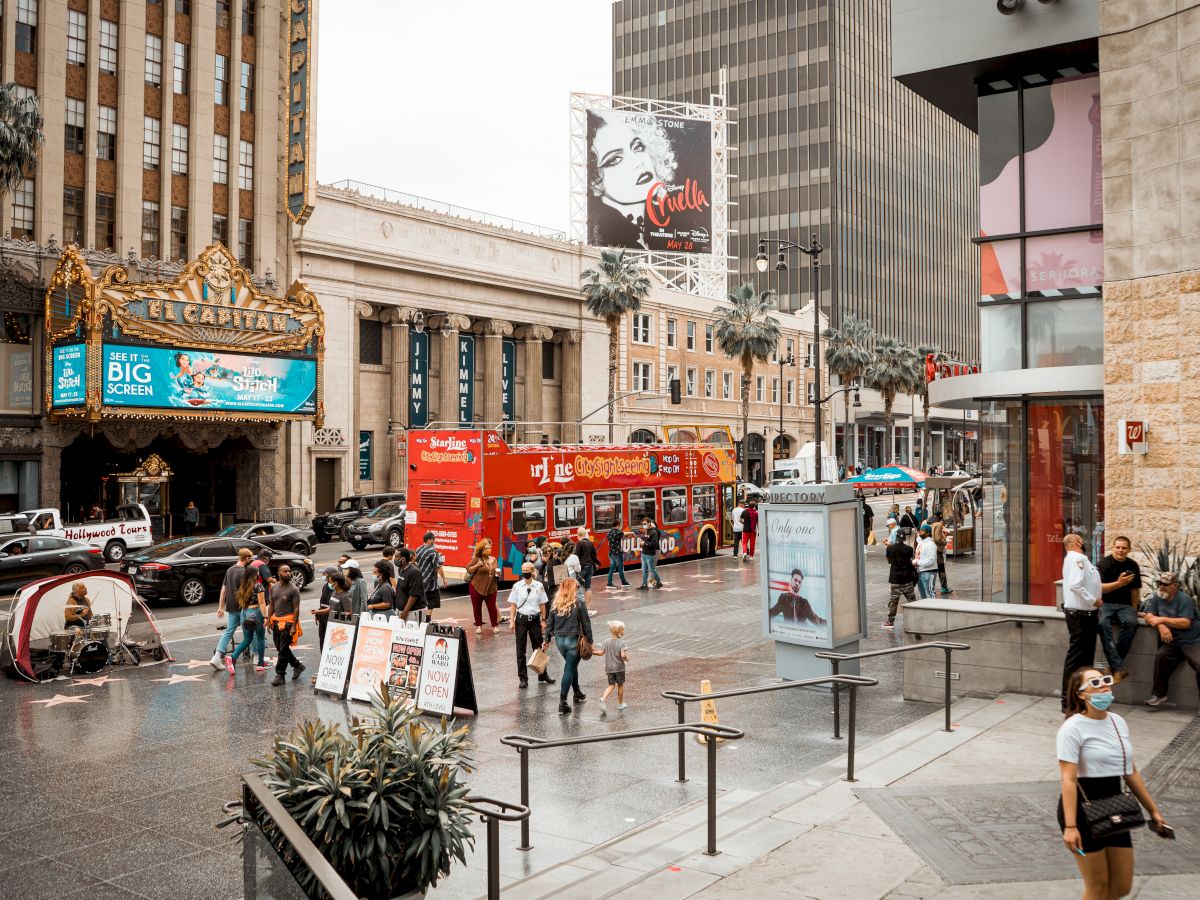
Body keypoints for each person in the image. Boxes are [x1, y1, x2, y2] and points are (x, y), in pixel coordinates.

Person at [1057, 667, 1170, 898]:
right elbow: (1068, 779)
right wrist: (1070, 827)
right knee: (1097, 886)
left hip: (1115, 806)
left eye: (1105, 680)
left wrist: (1153, 811)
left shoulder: (1118, 722)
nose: (1103, 686)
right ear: (1081, 694)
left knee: (1120, 886)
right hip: (1082, 809)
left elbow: (1130, 772)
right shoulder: (1071, 728)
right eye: (1095, 683)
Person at [1141, 571, 1200, 708]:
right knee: (1160, 657)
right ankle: (1159, 694)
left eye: (1165, 585)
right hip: (1173, 641)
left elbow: (1186, 623)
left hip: (1192, 641)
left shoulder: (1184, 599)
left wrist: (1161, 619)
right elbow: (1149, 615)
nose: (1161, 587)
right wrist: (1161, 626)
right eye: (1159, 584)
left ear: (1175, 586)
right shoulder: (1157, 598)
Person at [1061, 533, 1103, 712]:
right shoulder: (1078, 558)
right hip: (1081, 615)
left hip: (1084, 615)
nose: (1084, 542)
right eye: (1081, 540)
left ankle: (1080, 697)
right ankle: (1069, 700)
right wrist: (1093, 599)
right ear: (1077, 542)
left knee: (1084, 658)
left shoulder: (1073, 559)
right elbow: (1075, 585)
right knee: (1079, 658)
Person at [543, 576, 592, 715]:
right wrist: (590, 641)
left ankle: (577, 692)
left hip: (559, 641)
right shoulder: (579, 602)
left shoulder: (555, 602)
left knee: (572, 666)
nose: (578, 589)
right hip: (573, 640)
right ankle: (562, 702)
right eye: (576, 587)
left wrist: (546, 639)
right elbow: (586, 623)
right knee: (569, 669)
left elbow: (549, 623)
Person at [1097, 537, 1141, 683]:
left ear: (1129, 549)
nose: (1120, 550)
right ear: (1113, 547)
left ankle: (1115, 666)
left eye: (1124, 548)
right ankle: (1118, 667)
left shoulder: (1133, 565)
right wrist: (1119, 583)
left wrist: (1134, 609)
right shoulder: (1103, 564)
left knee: (1131, 623)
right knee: (1102, 624)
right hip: (1106, 603)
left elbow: (1135, 590)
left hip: (1125, 605)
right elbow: (1099, 588)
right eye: (1118, 547)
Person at [509, 562, 554, 689]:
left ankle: (542, 674)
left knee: (539, 648)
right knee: (520, 650)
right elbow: (513, 605)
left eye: (527, 569)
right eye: (523, 569)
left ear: (532, 571)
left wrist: (543, 620)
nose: (525, 571)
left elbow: (543, 604)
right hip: (521, 620)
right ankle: (523, 679)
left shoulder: (538, 586)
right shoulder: (517, 586)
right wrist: (512, 621)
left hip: (534, 620)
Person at [211, 548, 253, 670]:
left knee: (229, 631)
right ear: (247, 558)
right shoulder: (244, 572)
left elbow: (223, 590)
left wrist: (220, 607)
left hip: (231, 606)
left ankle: (217, 657)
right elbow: (247, 591)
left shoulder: (230, 570)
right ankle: (257, 657)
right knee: (250, 632)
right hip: (243, 607)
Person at [227, 563, 268, 674]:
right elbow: (262, 603)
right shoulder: (258, 585)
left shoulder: (243, 586)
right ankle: (260, 664)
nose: (259, 573)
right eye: (257, 572)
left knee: (247, 639)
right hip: (255, 613)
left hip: (244, 613)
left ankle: (233, 657)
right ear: (254, 574)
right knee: (260, 638)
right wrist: (265, 617)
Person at [268, 564, 305, 686]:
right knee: (280, 647)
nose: (288, 573)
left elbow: (296, 609)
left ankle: (280, 675)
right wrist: (268, 620)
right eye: (285, 571)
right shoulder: (273, 587)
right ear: (279, 573)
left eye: (289, 571)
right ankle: (297, 665)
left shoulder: (293, 589)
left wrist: (294, 625)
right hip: (276, 622)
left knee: (283, 650)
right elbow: (272, 605)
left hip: (288, 623)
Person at [885, 527, 918, 629]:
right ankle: (916, 620)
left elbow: (889, 561)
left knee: (893, 601)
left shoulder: (890, 548)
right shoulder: (909, 549)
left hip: (895, 579)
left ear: (896, 537)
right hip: (907, 578)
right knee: (912, 600)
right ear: (904, 538)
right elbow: (910, 561)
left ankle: (890, 622)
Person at [466, 538, 500, 635]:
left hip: (491, 587)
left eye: (489, 548)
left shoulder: (494, 559)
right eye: (486, 548)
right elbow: (468, 569)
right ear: (481, 550)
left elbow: (495, 571)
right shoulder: (477, 559)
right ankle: (479, 626)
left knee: (492, 607)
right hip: (476, 587)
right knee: (477, 607)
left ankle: (495, 625)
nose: (488, 550)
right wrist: (477, 565)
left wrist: (498, 574)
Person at [595, 620, 629, 715]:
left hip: (609, 668)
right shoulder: (622, 642)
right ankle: (620, 704)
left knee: (611, 685)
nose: (624, 631)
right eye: (623, 630)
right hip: (619, 668)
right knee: (620, 685)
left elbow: (601, 653)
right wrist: (626, 657)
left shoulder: (606, 641)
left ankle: (603, 698)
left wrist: (591, 651)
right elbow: (623, 655)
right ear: (619, 631)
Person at [414, 531, 445, 623]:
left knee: (421, 600)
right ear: (429, 540)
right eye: (433, 539)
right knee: (431, 601)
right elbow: (437, 567)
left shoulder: (418, 549)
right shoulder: (433, 551)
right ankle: (427, 619)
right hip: (430, 582)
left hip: (420, 579)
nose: (434, 541)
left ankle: (420, 618)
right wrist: (444, 578)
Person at [393, 547, 427, 623]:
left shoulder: (414, 572)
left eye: (396, 556)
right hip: (402, 611)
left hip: (413, 612)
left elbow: (414, 595)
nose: (394, 559)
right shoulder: (401, 569)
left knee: (414, 634)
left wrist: (405, 612)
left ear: (403, 559)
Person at [313, 565, 341, 651]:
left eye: (324, 574)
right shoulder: (325, 586)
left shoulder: (337, 588)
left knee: (332, 643)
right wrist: (318, 615)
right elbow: (323, 602)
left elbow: (335, 607)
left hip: (333, 619)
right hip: (323, 619)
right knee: (323, 641)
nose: (323, 576)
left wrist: (320, 612)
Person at [928, 509, 953, 594]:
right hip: (937, 549)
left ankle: (930, 587)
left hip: (928, 548)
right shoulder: (938, 524)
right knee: (941, 568)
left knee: (930, 569)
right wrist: (945, 542)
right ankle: (944, 587)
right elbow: (938, 538)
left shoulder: (926, 522)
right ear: (940, 516)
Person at [574, 526, 597, 611]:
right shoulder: (590, 543)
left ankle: (577, 606)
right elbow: (594, 555)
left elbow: (576, 556)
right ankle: (588, 606)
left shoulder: (580, 543)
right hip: (590, 567)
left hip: (583, 568)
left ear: (578, 535)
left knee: (575, 585)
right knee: (588, 587)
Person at [915, 524, 939, 600]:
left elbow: (931, 560)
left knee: (930, 593)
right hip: (920, 571)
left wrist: (917, 563)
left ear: (928, 533)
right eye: (920, 530)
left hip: (929, 572)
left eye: (922, 531)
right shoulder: (921, 543)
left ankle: (933, 609)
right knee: (923, 594)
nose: (920, 532)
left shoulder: (931, 545)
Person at [638, 519, 663, 590]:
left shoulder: (654, 532)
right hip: (644, 553)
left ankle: (659, 582)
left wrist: (645, 543)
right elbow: (646, 539)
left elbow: (654, 543)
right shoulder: (646, 531)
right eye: (643, 524)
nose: (644, 525)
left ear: (649, 523)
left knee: (652, 570)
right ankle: (644, 584)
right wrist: (642, 541)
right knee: (644, 570)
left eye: (645, 523)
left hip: (650, 554)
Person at [605, 519, 630, 588]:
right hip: (617, 553)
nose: (620, 527)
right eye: (619, 525)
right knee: (620, 568)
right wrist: (632, 533)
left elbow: (608, 543)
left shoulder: (609, 533)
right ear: (617, 525)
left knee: (612, 568)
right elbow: (625, 534)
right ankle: (623, 582)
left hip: (611, 553)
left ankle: (609, 583)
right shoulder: (618, 532)